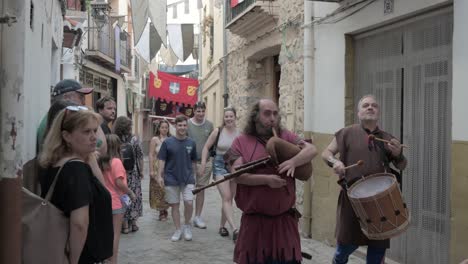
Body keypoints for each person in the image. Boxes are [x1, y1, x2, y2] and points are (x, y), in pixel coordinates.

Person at [224, 99, 317, 264]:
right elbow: (236, 175)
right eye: (267, 113)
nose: (272, 118)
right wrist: (266, 180)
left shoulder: (286, 136)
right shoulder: (241, 141)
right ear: (255, 116)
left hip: (284, 222)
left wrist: (293, 162)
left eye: (275, 113)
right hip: (254, 224)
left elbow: (312, 150)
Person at [321, 95, 407, 264]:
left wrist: (398, 154)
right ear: (359, 113)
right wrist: (335, 162)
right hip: (351, 200)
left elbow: (402, 166)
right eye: (366, 105)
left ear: (378, 112)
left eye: (374, 105)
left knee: (377, 250)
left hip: (380, 203)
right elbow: (326, 153)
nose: (370, 107)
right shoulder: (346, 133)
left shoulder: (387, 138)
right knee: (344, 248)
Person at [38, 106, 113, 264]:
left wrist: (90, 157)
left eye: (95, 130)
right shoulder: (76, 169)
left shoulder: (55, 163)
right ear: (67, 136)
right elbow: (79, 223)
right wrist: (74, 261)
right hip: (78, 255)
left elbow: (102, 189)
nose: (94, 137)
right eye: (86, 132)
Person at [200, 107, 240, 239]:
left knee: (229, 199)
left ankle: (222, 226)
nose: (228, 118)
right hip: (219, 165)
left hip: (234, 167)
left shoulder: (240, 133)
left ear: (235, 117)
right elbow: (206, 147)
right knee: (226, 196)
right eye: (226, 116)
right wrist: (204, 162)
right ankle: (235, 229)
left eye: (231, 116)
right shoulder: (218, 131)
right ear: (224, 118)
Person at [156, 115, 198, 242]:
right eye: (180, 125)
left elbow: (194, 161)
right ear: (175, 126)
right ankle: (178, 229)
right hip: (171, 178)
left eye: (184, 125)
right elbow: (161, 160)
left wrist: (195, 176)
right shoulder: (168, 142)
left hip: (188, 178)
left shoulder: (191, 142)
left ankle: (187, 226)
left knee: (189, 202)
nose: (182, 127)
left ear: (187, 126)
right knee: (175, 205)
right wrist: (159, 176)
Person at [100, 134, 136, 264]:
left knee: (105, 233)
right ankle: (113, 260)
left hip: (103, 202)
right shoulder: (116, 162)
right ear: (117, 146)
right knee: (115, 235)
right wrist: (130, 192)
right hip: (116, 202)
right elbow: (119, 183)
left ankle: (104, 258)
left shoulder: (101, 162)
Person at [113, 116, 144, 233]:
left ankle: (125, 225)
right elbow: (140, 155)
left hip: (120, 173)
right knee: (134, 197)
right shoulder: (134, 139)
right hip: (133, 173)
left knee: (123, 196)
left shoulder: (115, 139)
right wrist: (141, 171)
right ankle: (134, 223)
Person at [187, 101, 214, 229]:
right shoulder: (187, 124)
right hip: (189, 163)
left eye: (203, 111)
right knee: (188, 189)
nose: (201, 114)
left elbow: (213, 144)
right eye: (198, 111)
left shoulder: (209, 125)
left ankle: (197, 217)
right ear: (194, 111)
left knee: (201, 189)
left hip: (205, 162)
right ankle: (187, 217)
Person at [149, 119, 171, 220]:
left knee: (167, 189)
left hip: (168, 167)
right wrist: (151, 169)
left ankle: (166, 208)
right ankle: (161, 211)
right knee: (158, 189)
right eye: (162, 127)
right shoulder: (154, 139)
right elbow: (151, 155)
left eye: (166, 127)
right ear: (159, 128)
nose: (164, 129)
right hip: (158, 166)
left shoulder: (171, 139)